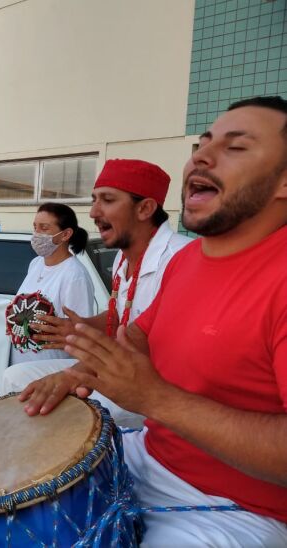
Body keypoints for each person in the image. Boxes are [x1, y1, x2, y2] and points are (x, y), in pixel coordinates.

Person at [19, 97, 287, 545]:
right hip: (149, 455)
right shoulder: (190, 262)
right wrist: (75, 372)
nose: (200, 156)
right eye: (202, 144)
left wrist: (156, 399)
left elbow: (150, 393)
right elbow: (138, 335)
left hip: (240, 510)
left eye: (236, 147)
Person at [3, 160, 191, 411]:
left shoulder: (181, 257)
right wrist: (79, 326)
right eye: (94, 200)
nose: (92, 212)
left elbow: (146, 335)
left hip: (157, 385)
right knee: (13, 378)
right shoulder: (123, 257)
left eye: (108, 200)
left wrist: (75, 373)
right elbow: (120, 315)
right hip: (117, 366)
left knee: (62, 412)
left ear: (145, 208)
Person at [5, 203, 94, 370]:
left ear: (65, 234)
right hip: (20, 366)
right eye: (35, 227)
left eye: (44, 228)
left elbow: (80, 333)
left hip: (49, 372)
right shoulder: (36, 264)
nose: (36, 234)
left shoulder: (75, 275)